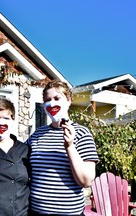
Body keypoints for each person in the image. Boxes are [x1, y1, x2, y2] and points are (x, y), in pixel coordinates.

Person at [27, 80, 98, 215]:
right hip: (35, 212)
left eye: (57, 98)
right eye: (47, 100)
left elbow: (86, 180)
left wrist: (70, 146)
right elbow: (17, 157)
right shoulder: (37, 134)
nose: (52, 103)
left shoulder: (82, 133)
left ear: (68, 100)